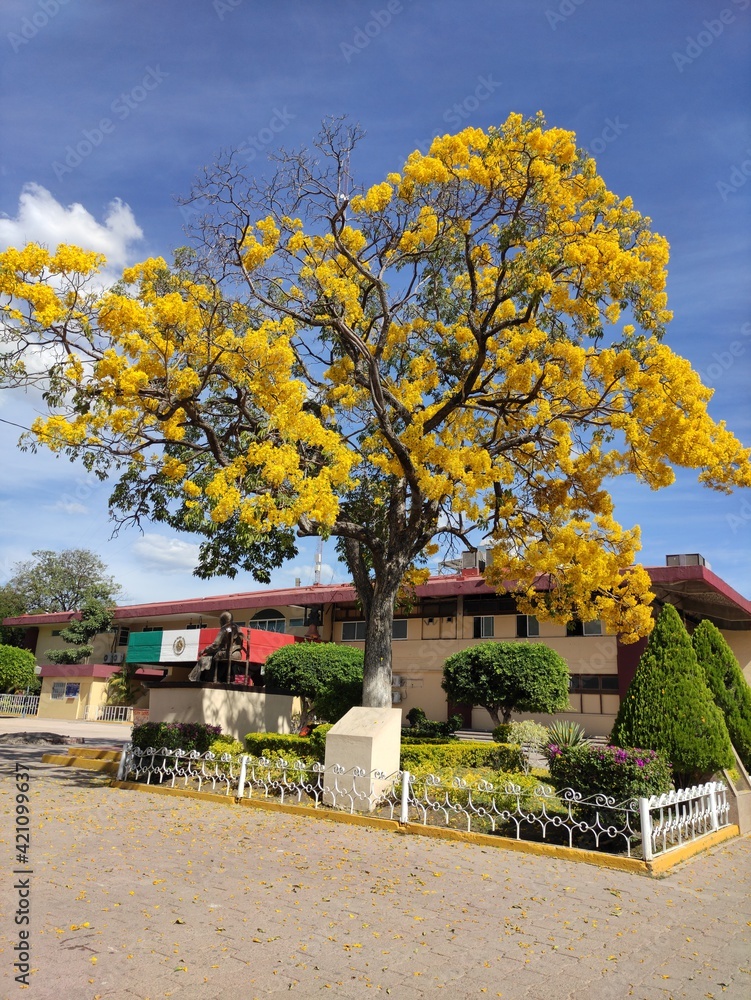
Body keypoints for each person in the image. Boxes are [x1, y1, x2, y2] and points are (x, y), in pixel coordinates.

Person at [188, 612, 248, 683]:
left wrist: (204, 650)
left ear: (223, 621)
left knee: (208, 658)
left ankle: (212, 678)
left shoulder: (224, 628)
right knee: (219, 657)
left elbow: (215, 645)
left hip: (228, 654)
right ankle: (223, 678)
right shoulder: (238, 628)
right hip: (238, 654)